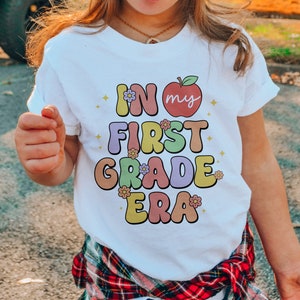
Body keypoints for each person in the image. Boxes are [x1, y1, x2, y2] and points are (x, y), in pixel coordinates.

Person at [14, 0, 300, 299]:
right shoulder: (69, 52)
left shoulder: (231, 47)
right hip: (116, 276)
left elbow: (256, 160)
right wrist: (45, 163)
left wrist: (289, 264)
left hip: (222, 276)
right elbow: (62, 161)